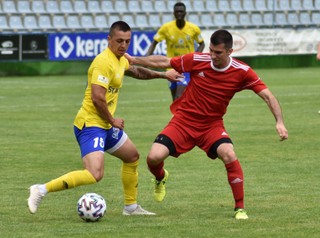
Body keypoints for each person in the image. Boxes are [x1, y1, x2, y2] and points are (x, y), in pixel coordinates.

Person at [125, 29, 288, 220]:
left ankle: (240, 208)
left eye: (217, 52)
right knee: (153, 157)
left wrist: (280, 122)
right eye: (211, 50)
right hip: (183, 121)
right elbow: (165, 61)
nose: (212, 55)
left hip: (211, 126)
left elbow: (268, 96)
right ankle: (160, 177)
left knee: (229, 154)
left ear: (230, 51)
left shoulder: (242, 71)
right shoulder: (198, 60)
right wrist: (135, 59)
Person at [27, 21, 182, 216]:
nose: (123, 45)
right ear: (109, 39)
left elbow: (136, 71)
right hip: (90, 124)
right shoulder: (103, 62)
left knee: (132, 157)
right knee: (94, 174)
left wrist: (163, 76)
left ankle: (131, 207)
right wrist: (112, 121)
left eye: (127, 41)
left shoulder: (120, 58)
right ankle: (40, 190)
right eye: (119, 41)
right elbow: (97, 97)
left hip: (105, 125)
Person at [146, 1, 205, 101]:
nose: (179, 14)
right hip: (171, 67)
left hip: (186, 67)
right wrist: (147, 59)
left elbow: (202, 44)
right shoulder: (166, 28)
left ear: (185, 13)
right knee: (175, 99)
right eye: (177, 12)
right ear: (173, 13)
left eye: (181, 12)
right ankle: (179, 116)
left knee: (180, 96)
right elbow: (154, 42)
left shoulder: (193, 28)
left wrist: (195, 56)